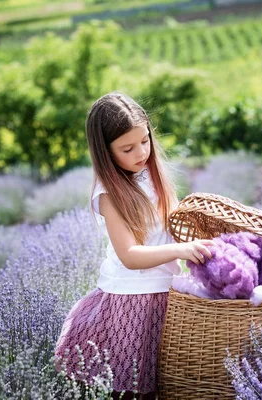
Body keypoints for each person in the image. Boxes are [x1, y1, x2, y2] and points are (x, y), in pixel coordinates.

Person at [54, 92, 213, 399]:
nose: (141, 152)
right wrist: (180, 251)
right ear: (106, 153)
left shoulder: (152, 173)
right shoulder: (109, 194)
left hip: (166, 291)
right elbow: (129, 256)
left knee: (167, 384)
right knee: (134, 389)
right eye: (127, 148)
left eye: (145, 140)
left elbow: (174, 225)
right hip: (133, 298)